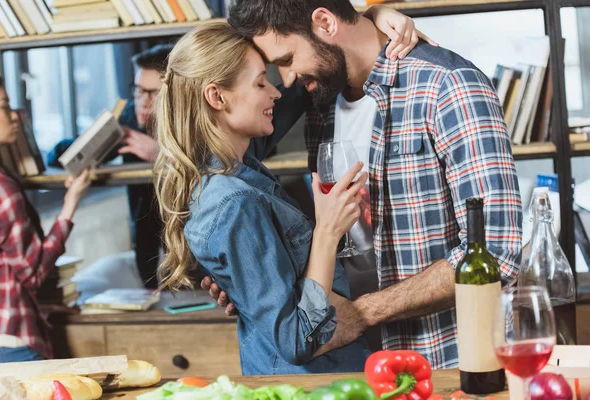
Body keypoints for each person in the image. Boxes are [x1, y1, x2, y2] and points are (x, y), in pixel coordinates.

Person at [205, 0, 523, 370]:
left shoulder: (448, 87)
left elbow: (496, 253)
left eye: (287, 58)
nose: (286, 79)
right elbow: (217, 145)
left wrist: (362, 313)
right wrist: (245, 277)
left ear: (324, 22)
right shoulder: (320, 95)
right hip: (350, 359)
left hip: (445, 357)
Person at [48, 45, 172, 289]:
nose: (142, 102)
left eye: (152, 93)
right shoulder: (128, 118)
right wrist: (94, 140)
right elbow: (62, 155)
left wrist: (161, 156)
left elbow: (213, 170)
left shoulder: (194, 122)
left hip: (189, 236)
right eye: (138, 91)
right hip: (145, 235)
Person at [0, 75, 91, 363]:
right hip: (9, 342)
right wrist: (70, 205)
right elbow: (33, 272)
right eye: (4, 106)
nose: (15, 117)